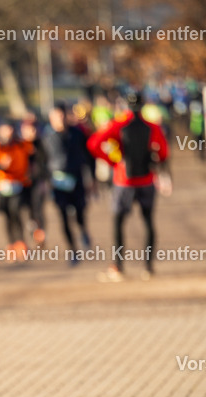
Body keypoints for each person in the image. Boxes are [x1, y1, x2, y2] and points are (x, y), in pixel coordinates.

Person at [87, 92, 169, 281]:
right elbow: (163, 151)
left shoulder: (118, 125)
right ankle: (148, 267)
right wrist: (155, 160)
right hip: (146, 179)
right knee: (148, 221)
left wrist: (112, 160)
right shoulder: (152, 126)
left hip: (123, 180)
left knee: (118, 222)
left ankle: (118, 266)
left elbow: (94, 143)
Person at [43, 104, 94, 263]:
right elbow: (41, 162)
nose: (59, 120)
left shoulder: (77, 134)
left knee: (80, 211)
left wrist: (92, 178)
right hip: (57, 182)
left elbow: (89, 155)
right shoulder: (46, 137)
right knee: (63, 216)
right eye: (55, 117)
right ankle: (73, 251)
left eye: (61, 116)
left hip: (77, 177)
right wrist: (44, 182)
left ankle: (83, 230)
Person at [0, 120, 31, 260]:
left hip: (18, 183)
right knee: (7, 215)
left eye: (10, 129)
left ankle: (21, 243)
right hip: (2, 185)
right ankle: (11, 244)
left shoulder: (21, 144)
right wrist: (1, 163)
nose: (8, 133)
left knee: (16, 212)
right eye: (5, 130)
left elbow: (28, 158)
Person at [19, 115, 49, 246]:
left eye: (34, 129)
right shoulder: (19, 145)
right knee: (27, 209)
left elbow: (47, 162)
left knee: (38, 208)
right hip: (23, 183)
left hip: (38, 181)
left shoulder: (42, 144)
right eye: (28, 129)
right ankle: (33, 229)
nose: (32, 132)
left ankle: (40, 233)